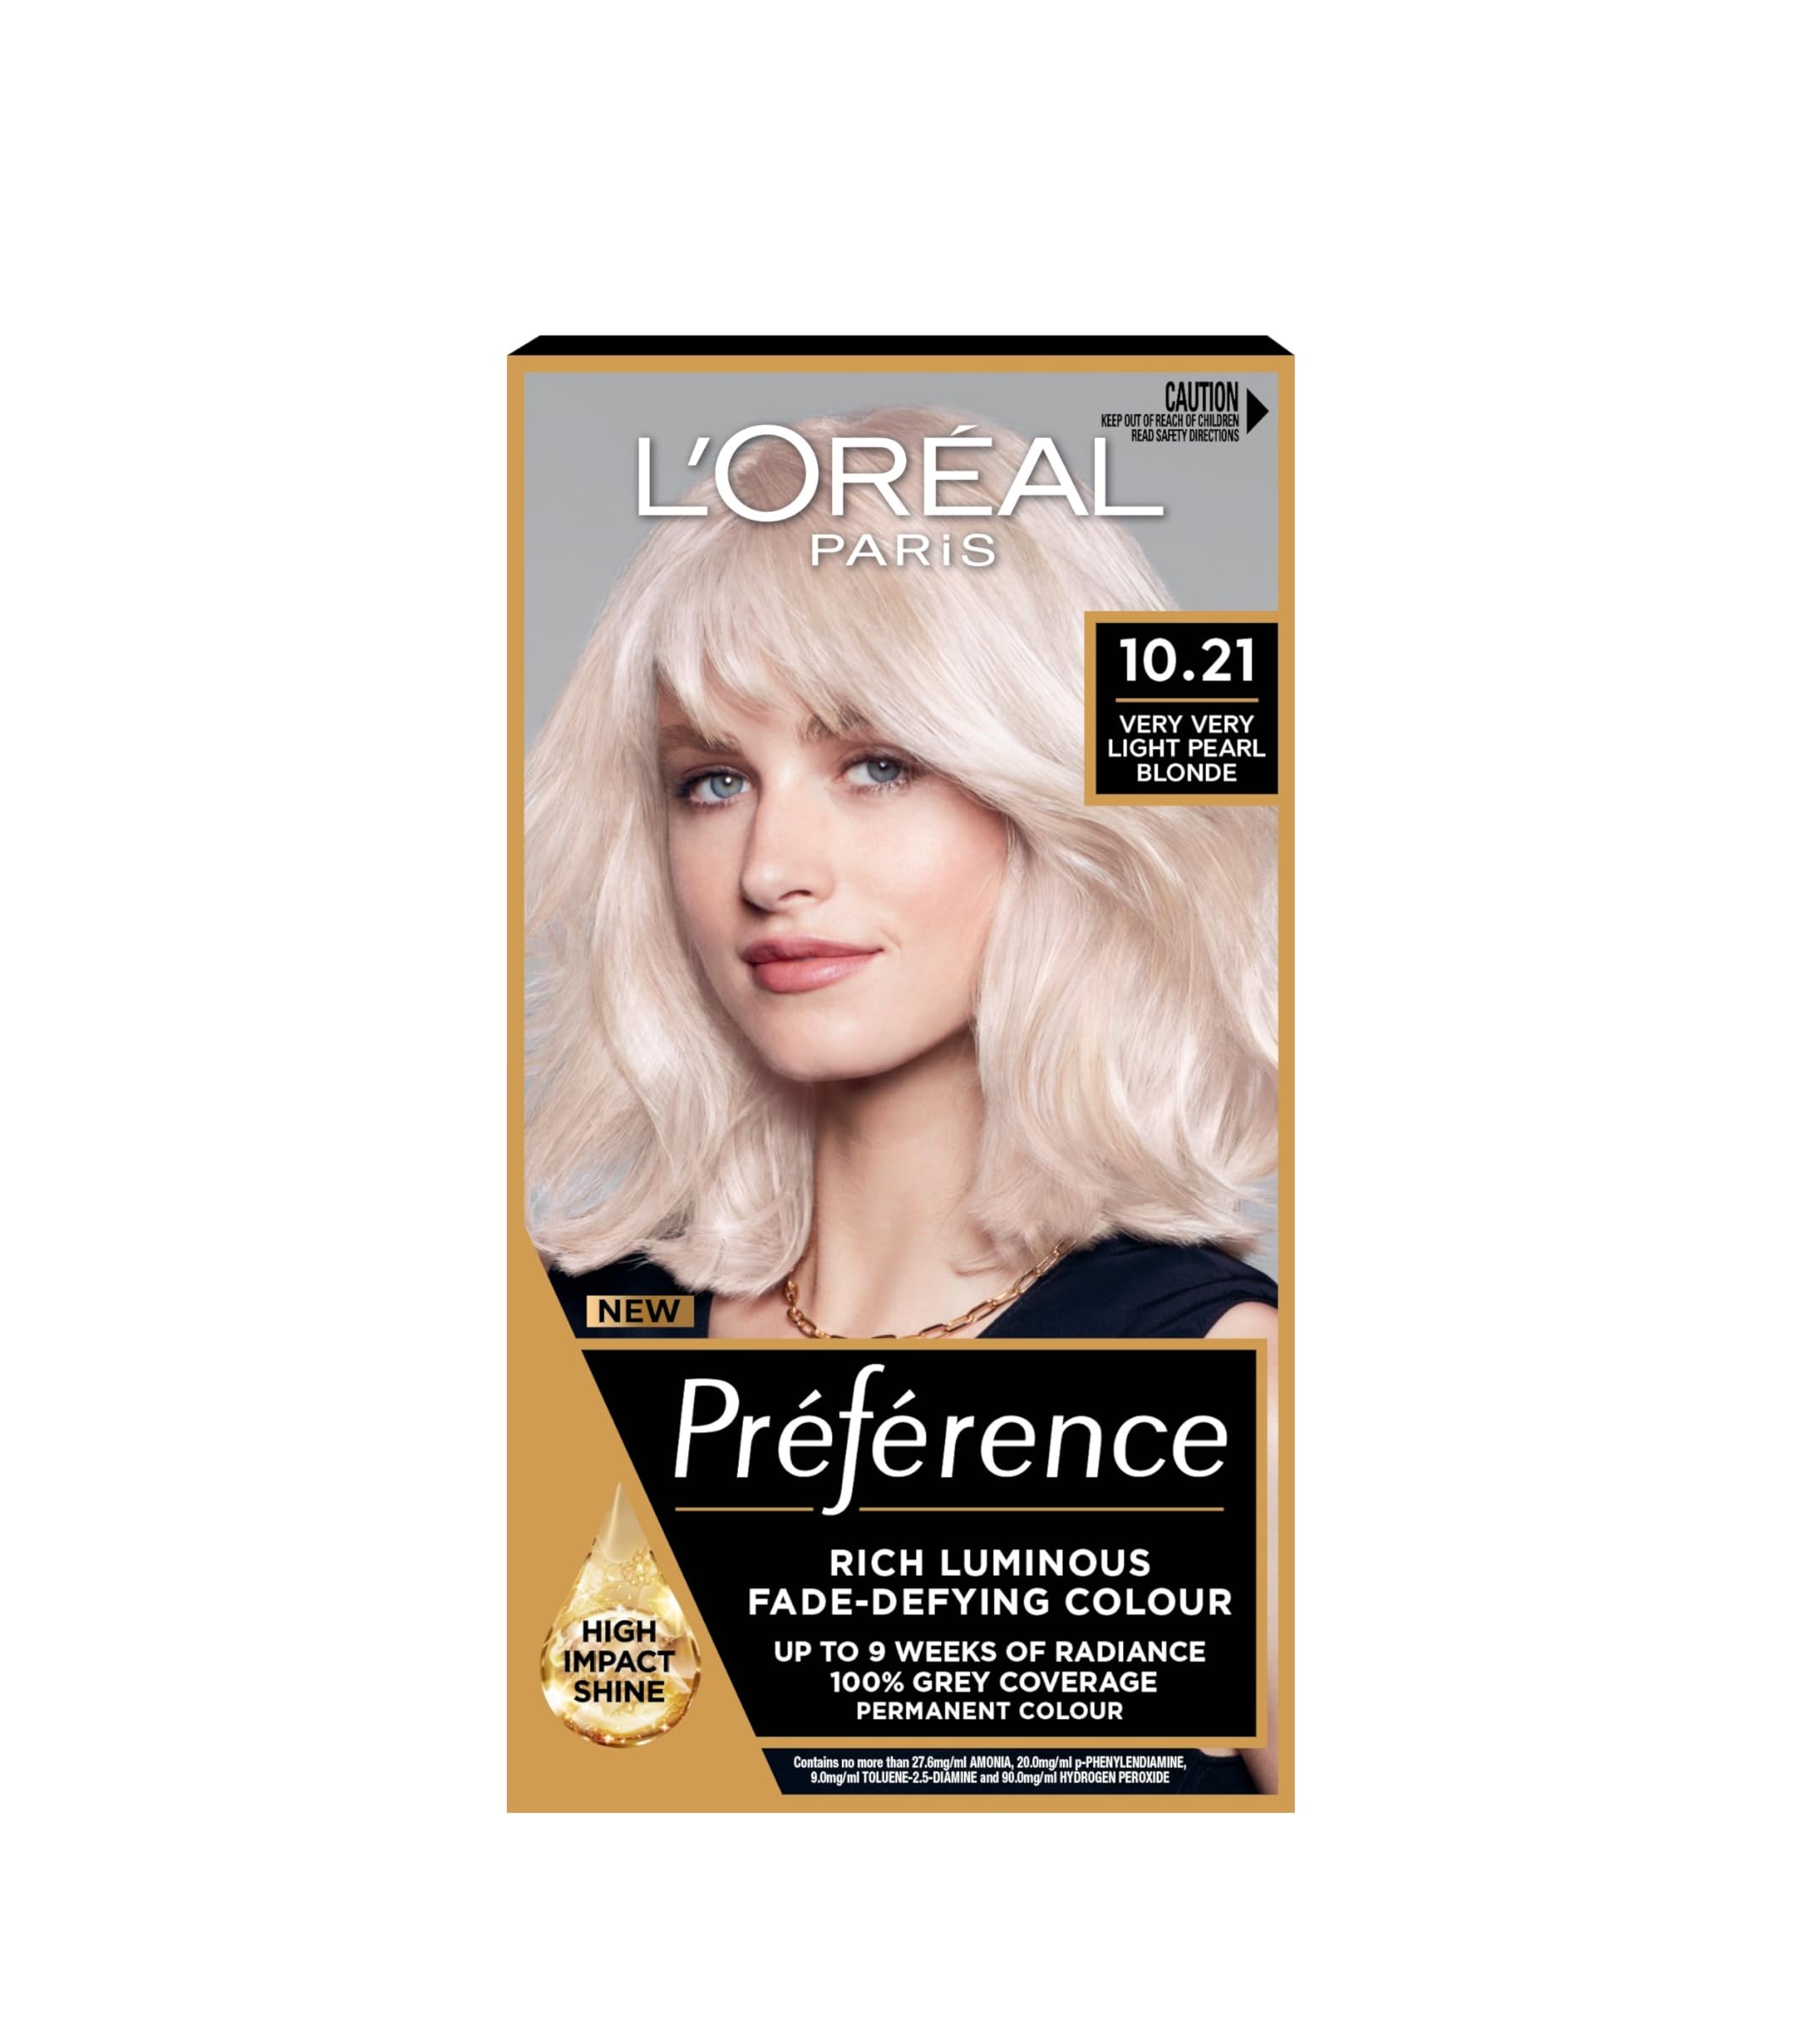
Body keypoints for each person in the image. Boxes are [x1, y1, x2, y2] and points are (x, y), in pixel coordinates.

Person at [527, 406, 1277, 1343]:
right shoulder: (560, 1337)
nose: (770, 869)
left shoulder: (1226, 1360)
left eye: (879, 767)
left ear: (1050, 801)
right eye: (715, 781)